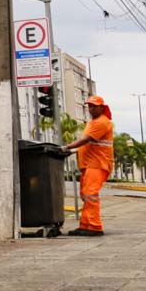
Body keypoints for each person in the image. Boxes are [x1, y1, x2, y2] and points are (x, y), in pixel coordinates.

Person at [63, 94, 115, 236]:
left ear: (101, 108)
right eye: (89, 106)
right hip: (90, 164)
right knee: (86, 195)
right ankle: (86, 225)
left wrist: (67, 147)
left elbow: (85, 140)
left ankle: (94, 226)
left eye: (93, 106)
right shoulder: (93, 122)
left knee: (90, 194)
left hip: (98, 164)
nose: (91, 109)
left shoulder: (102, 122)